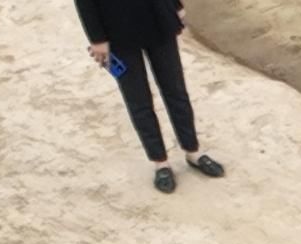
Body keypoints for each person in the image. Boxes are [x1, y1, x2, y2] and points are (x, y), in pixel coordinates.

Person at [74, 0, 214, 192]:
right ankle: (160, 162)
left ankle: (193, 150)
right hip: (116, 31)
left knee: (176, 90)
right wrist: (97, 39)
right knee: (138, 100)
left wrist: (176, 6)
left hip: (157, 19)